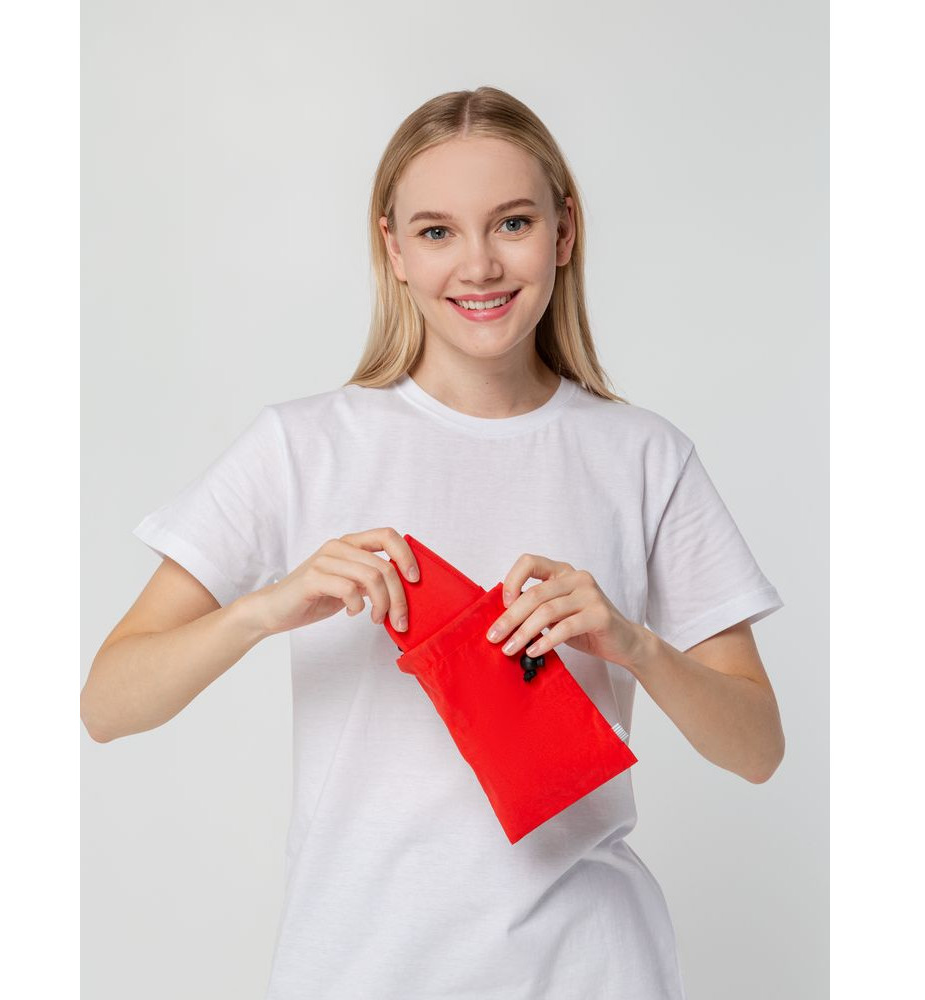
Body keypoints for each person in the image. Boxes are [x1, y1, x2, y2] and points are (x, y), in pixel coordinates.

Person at [82, 85, 786, 1000]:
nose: (480, 265)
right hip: (357, 970)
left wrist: (633, 644)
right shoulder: (302, 446)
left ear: (564, 232)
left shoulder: (644, 456)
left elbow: (757, 748)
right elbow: (108, 704)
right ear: (394, 250)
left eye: (513, 223)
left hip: (591, 969)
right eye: (437, 231)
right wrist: (264, 610)